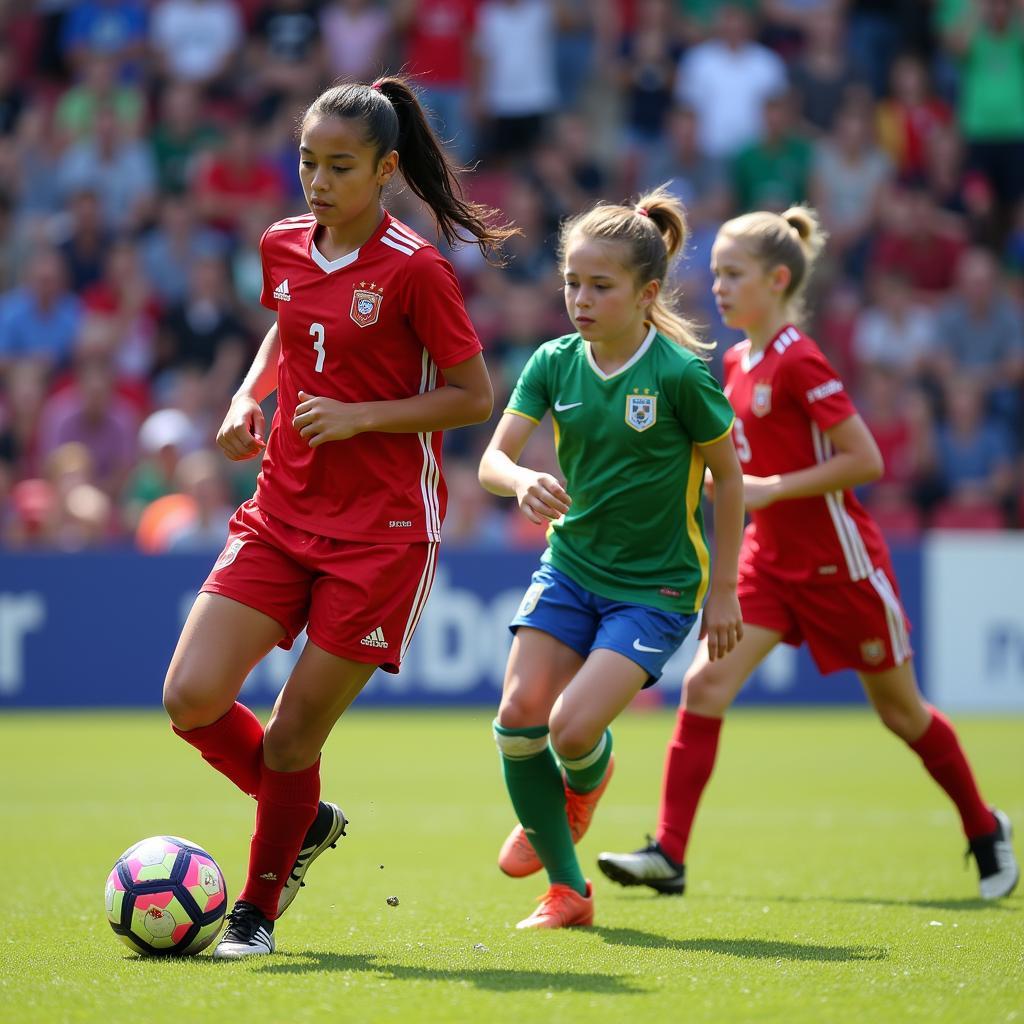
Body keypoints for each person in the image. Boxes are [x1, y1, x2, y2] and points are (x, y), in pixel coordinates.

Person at [161, 76, 512, 959]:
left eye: (340, 166)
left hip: (383, 536)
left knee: (290, 736)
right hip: (280, 511)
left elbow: (475, 397)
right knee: (191, 697)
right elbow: (287, 328)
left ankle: (257, 913)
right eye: (308, 161)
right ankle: (302, 817)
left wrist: (361, 416)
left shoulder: (416, 268)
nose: (317, 180)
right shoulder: (282, 244)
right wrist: (249, 397)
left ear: (386, 169)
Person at [597, 206, 1020, 902]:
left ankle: (983, 828)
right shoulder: (734, 361)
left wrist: (771, 488)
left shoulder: (799, 357)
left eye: (734, 275)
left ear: (779, 279)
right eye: (716, 275)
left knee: (901, 713)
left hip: (840, 566)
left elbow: (867, 459)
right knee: (703, 687)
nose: (721, 288)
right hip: (769, 564)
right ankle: (668, 853)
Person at [478, 186, 746, 930]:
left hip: (657, 588)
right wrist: (523, 478)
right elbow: (492, 462)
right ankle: (569, 893)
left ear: (646, 292)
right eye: (571, 282)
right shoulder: (554, 363)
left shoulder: (680, 375)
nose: (581, 299)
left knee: (568, 730)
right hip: (570, 568)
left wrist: (723, 590)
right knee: (518, 714)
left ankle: (583, 784)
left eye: (601, 286)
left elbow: (729, 479)